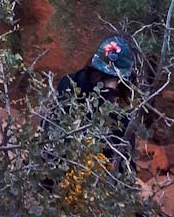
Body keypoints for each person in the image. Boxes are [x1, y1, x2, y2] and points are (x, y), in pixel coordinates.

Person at [56, 36, 137, 173]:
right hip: (83, 185)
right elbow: (127, 171)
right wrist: (109, 92)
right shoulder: (119, 118)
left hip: (47, 173)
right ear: (121, 80)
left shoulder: (68, 83)